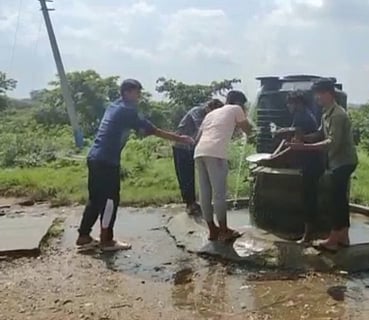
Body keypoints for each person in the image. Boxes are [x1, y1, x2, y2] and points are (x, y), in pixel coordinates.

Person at [76, 79, 195, 252]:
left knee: (96, 199)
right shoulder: (127, 110)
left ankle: (84, 236)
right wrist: (181, 139)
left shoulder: (114, 106)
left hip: (95, 157)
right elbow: (152, 130)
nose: (139, 96)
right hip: (107, 160)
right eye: (136, 92)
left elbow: (139, 130)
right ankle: (106, 240)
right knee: (110, 200)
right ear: (126, 92)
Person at [287, 79, 358, 251]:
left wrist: (304, 147)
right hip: (337, 161)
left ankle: (333, 239)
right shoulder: (326, 112)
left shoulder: (338, 115)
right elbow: (320, 133)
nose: (316, 98)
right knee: (340, 200)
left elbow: (332, 142)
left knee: (335, 201)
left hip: (343, 161)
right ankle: (344, 237)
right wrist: (303, 138)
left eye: (318, 94)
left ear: (328, 93)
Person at [194, 90, 253, 242]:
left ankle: (212, 230)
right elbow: (248, 130)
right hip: (216, 154)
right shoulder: (236, 109)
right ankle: (224, 230)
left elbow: (198, 136)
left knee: (205, 193)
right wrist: (250, 123)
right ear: (239, 102)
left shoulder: (211, 114)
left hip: (199, 152)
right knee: (219, 194)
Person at [284, 91, 327, 244]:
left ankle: (308, 235)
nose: (288, 106)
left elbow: (298, 140)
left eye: (290, 103)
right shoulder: (305, 114)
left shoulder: (301, 117)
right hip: (312, 161)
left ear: (298, 103)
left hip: (311, 163)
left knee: (309, 198)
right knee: (309, 196)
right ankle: (309, 232)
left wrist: (276, 157)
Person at [173, 99, 224, 215]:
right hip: (182, 146)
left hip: (193, 146)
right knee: (186, 176)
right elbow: (201, 127)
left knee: (194, 176)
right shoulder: (198, 111)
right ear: (209, 108)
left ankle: (194, 203)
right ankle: (189, 204)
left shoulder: (206, 114)